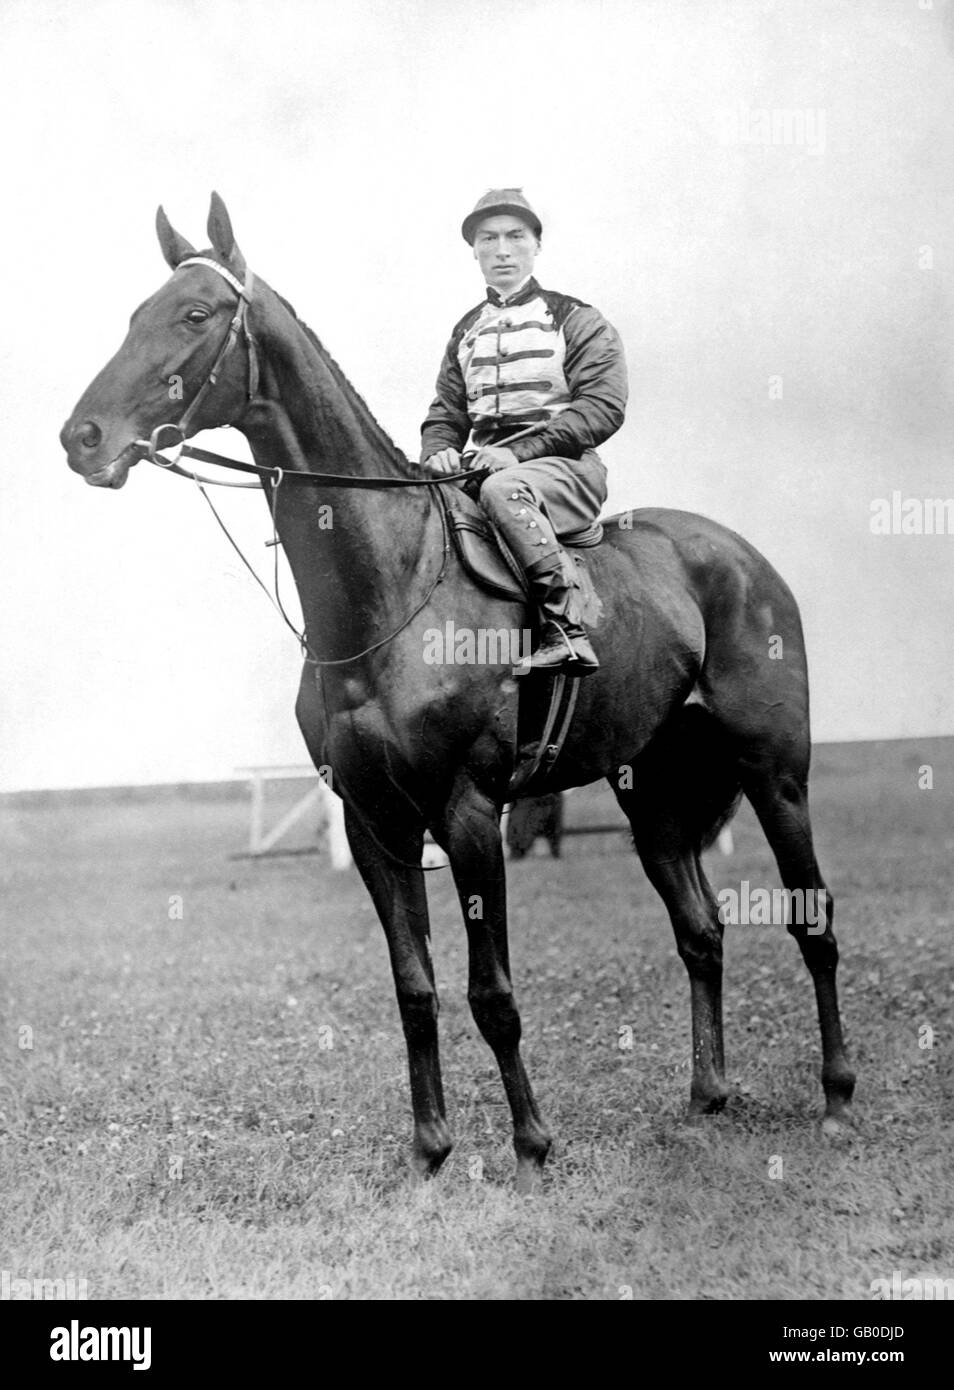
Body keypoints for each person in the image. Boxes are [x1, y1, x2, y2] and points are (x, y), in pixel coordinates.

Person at [420, 188, 628, 674]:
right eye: (488, 238)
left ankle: (565, 629)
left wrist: (517, 454)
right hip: (483, 472)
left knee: (504, 488)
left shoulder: (575, 319)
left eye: (516, 235)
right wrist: (439, 451)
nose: (502, 248)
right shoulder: (466, 330)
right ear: (474, 250)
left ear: (537, 244)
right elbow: (446, 412)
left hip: (564, 471)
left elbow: (602, 407)